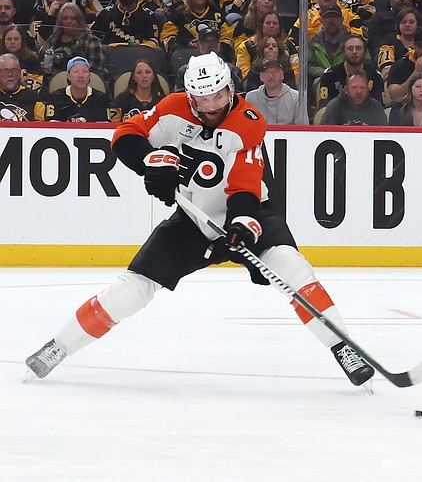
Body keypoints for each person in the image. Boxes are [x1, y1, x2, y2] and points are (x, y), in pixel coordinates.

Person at [25, 51, 376, 390]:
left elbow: (244, 186)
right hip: (194, 220)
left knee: (292, 268)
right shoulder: (173, 108)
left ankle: (343, 348)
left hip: (252, 214)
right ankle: (59, 346)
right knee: (131, 289)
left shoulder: (249, 123)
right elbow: (125, 136)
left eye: (218, 96)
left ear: (230, 89)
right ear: (190, 95)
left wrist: (241, 225)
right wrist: (151, 161)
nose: (210, 107)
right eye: (202, 99)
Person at [38, 2, 106, 81]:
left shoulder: (90, 40)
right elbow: (42, 61)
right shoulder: (53, 39)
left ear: (79, 21)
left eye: (73, 18)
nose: (68, 21)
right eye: (65, 18)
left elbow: (96, 70)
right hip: (53, 82)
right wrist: (42, 67)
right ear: (60, 21)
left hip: (83, 83)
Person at [318, 34, 384, 108]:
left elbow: (378, 108)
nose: (354, 52)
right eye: (350, 48)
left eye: (358, 48)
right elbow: (324, 107)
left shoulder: (375, 76)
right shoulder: (330, 75)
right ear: (343, 52)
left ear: (365, 52)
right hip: (338, 117)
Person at [175, 23, 244, 93]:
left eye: (213, 41)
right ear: (198, 44)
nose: (210, 44)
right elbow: (179, 96)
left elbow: (239, 95)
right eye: (205, 41)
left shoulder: (232, 70)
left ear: (219, 44)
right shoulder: (185, 71)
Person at [245, 58, 303, 124]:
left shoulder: (296, 97)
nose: (271, 75)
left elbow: (302, 129)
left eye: (275, 71)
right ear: (261, 76)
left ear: (282, 75)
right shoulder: (251, 98)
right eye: (267, 72)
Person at [320, 70, 388, 125]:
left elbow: (384, 136)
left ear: (368, 90)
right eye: (354, 87)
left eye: (363, 88)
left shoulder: (376, 107)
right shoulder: (334, 106)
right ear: (346, 89)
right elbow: (325, 136)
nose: (359, 91)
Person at [91, 0, 160, 47]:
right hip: (110, 59)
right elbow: (93, 38)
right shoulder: (105, 14)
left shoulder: (148, 15)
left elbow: (154, 42)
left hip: (140, 57)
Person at [308, 3, 352, 81]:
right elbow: (308, 65)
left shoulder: (354, 41)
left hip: (349, 80)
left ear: (342, 20)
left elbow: (366, 63)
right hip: (322, 81)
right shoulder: (313, 43)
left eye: (335, 17)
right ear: (321, 20)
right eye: (327, 17)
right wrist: (326, 72)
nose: (331, 21)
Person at [0, 53, 44, 121]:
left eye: (14, 70)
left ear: (19, 72)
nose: (10, 74)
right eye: (5, 70)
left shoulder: (33, 97)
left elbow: (41, 125)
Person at [1, 25, 45, 93]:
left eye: (16, 39)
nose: (12, 42)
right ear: (4, 42)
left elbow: (36, 86)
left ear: (22, 41)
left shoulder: (32, 60)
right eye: (9, 39)